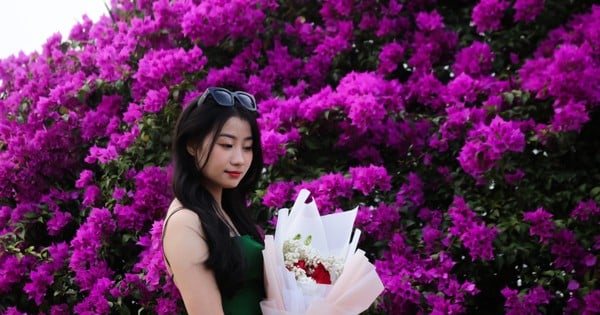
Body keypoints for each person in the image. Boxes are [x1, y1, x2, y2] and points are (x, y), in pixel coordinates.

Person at [162, 87, 265, 315]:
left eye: (247, 148)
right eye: (226, 145)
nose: (239, 159)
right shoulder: (185, 221)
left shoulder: (225, 211)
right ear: (192, 145)